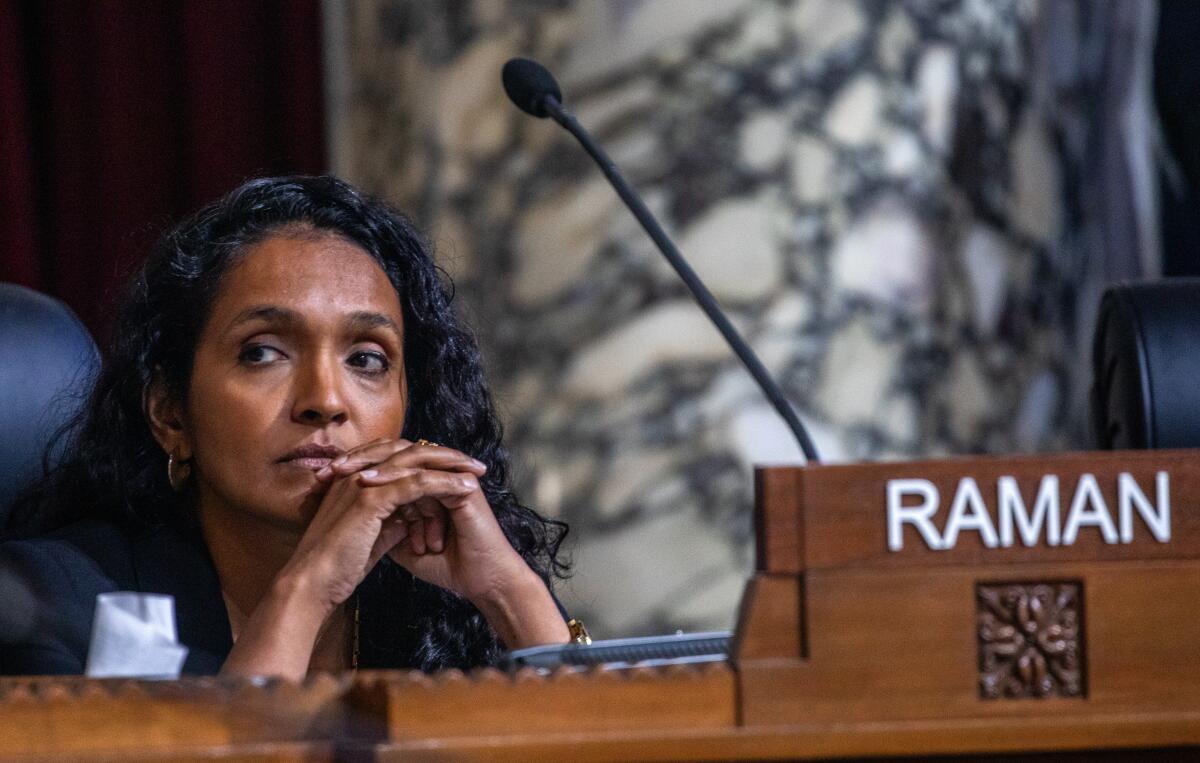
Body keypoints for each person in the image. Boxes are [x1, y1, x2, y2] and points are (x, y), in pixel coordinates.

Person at [0, 175, 571, 679]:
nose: (325, 400)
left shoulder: (436, 605)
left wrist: (510, 594)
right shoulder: (52, 602)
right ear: (171, 414)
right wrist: (309, 588)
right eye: (263, 353)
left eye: (367, 359)